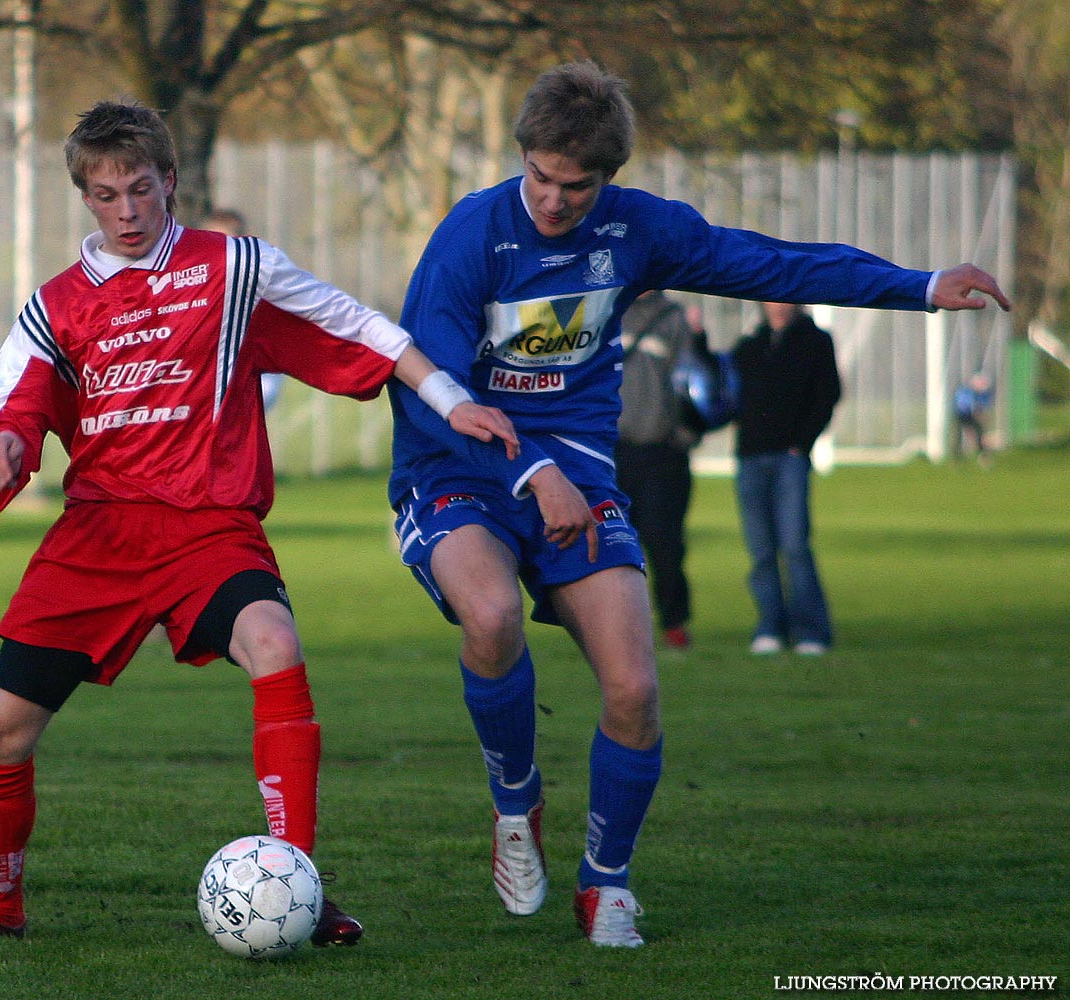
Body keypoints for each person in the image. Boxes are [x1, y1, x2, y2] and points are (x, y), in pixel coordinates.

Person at [388, 60, 1010, 948]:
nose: (555, 202)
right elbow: (430, 386)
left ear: (610, 178)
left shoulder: (640, 230)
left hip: (578, 472)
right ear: (520, 155)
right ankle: (516, 806)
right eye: (540, 178)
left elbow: (766, 263)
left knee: (636, 689)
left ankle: (605, 886)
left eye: (578, 186)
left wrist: (915, 284)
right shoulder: (469, 236)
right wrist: (527, 473)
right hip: (459, 467)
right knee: (489, 616)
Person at [0, 101, 517, 944]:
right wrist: (3, 448)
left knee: (275, 643)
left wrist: (450, 399)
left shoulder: (233, 267)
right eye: (105, 195)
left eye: (140, 189)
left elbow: (355, 325)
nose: (127, 212)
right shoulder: (55, 306)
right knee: (0, 731)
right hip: (99, 537)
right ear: (85, 198)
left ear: (169, 181)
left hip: (210, 528)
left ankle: (299, 892)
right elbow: (6, 405)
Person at [731, 302, 841, 657]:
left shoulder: (815, 341)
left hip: (789, 457)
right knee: (761, 549)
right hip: (750, 457)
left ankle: (812, 630)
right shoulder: (750, 344)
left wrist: (802, 443)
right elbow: (726, 391)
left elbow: (828, 394)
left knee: (794, 544)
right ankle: (770, 627)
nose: (776, 305)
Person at [614, 290, 700, 650]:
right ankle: (617, 628)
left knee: (664, 542)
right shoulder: (607, 310)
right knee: (612, 545)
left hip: (661, 453)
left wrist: (686, 431)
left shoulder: (673, 318)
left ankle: (673, 622)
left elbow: (696, 381)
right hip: (612, 450)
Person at [201, 207, 284, 411]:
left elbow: (267, 390)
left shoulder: (260, 306)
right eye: (209, 243)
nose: (216, 254)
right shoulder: (186, 299)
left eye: (223, 244)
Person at [953, 371, 993, 464]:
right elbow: (963, 405)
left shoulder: (982, 394)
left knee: (979, 433)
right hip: (962, 415)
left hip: (972, 416)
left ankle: (982, 455)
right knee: (959, 435)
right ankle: (956, 457)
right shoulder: (965, 392)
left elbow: (984, 405)